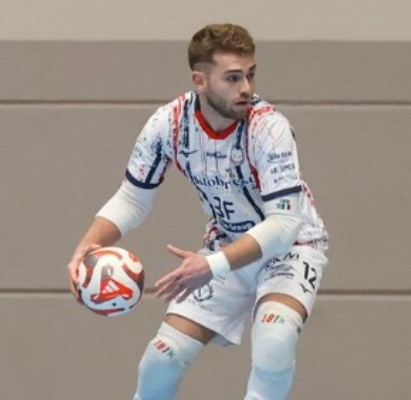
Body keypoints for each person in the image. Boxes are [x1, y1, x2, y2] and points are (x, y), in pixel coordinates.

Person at [67, 23, 329, 400]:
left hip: (291, 247)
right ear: (200, 80)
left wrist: (211, 265)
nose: (246, 88)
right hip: (227, 244)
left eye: (250, 74)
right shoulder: (168, 124)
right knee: (162, 358)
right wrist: (87, 245)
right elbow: (132, 199)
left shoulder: (270, 128)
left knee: (274, 341)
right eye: (233, 78)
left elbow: (284, 224)